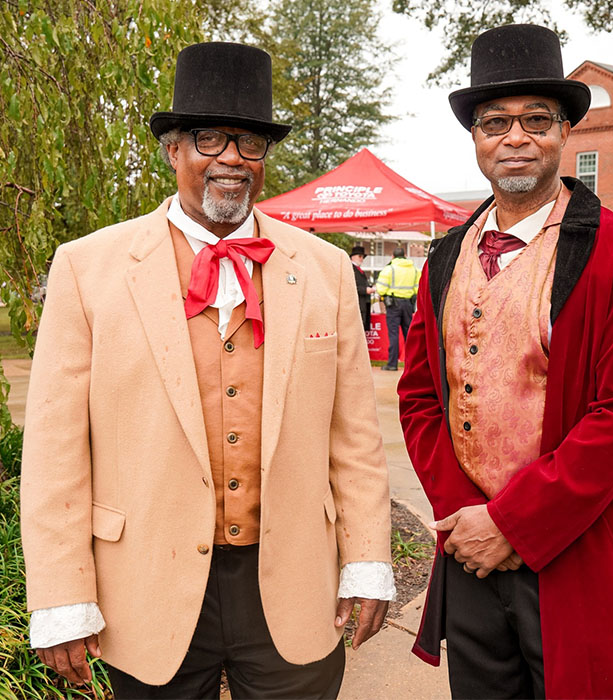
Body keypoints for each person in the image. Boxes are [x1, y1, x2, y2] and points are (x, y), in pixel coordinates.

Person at [20, 42, 394, 699]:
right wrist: (61, 593)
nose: (231, 158)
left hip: (292, 584)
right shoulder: (87, 267)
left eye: (248, 142)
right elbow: (54, 452)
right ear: (172, 149)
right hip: (146, 590)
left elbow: (354, 439)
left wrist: (366, 559)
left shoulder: (325, 268)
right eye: (209, 138)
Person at [397, 23, 613, 700]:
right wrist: (468, 516)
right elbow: (419, 401)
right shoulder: (443, 261)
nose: (515, 138)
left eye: (535, 120)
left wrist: (516, 523)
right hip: (471, 553)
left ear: (564, 132)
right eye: (496, 122)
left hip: (575, 546)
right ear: (476, 140)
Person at [375, 247, 420, 371]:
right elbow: (418, 288)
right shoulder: (414, 270)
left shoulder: (389, 269)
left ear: (392, 256)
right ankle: (412, 365)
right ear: (405, 255)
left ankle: (392, 364)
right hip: (408, 304)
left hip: (393, 305)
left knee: (393, 334)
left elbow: (381, 289)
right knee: (409, 336)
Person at [350, 245, 375, 331]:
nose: (362, 259)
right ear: (352, 257)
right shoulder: (351, 269)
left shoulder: (359, 270)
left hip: (363, 303)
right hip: (357, 304)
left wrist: (370, 287)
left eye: (363, 257)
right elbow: (351, 286)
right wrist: (365, 290)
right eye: (360, 256)